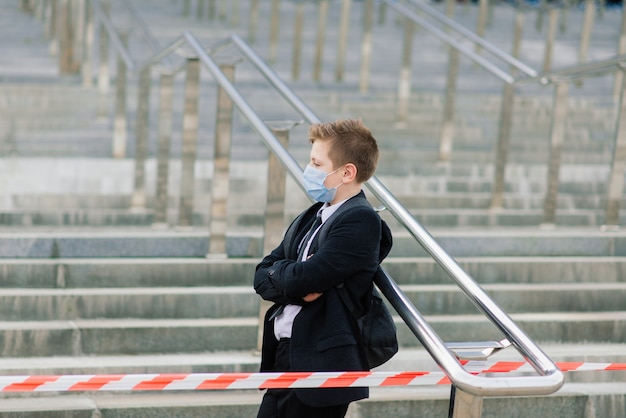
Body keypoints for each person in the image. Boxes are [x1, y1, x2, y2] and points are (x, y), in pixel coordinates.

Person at [254, 119, 393, 418]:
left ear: (347, 172)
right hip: (285, 357)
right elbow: (261, 274)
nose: (309, 170)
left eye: (317, 163)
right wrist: (286, 279)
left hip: (320, 364)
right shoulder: (313, 215)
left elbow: (307, 278)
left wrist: (285, 276)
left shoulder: (360, 220)